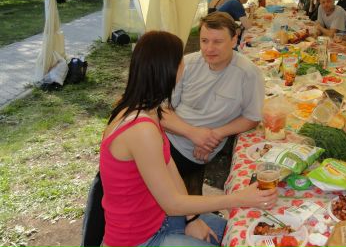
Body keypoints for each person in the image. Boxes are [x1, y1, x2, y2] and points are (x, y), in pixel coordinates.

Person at [99, 31, 277, 247]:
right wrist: (239, 198)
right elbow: (172, 204)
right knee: (238, 237)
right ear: (169, 70)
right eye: (179, 61)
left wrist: (192, 218)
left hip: (161, 219)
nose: (184, 65)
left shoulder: (148, 109)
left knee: (243, 233)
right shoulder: (141, 129)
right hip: (140, 239)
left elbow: (170, 168)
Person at [160, 13, 264, 195]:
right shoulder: (187, 63)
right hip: (163, 136)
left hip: (192, 151)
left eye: (217, 42)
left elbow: (252, 117)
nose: (209, 49)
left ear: (234, 40)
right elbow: (162, 110)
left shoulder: (248, 73)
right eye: (204, 41)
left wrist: (214, 135)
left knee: (143, 179)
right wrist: (194, 133)